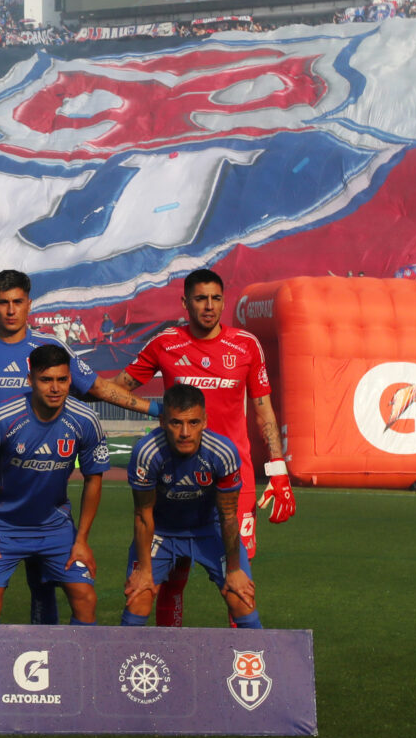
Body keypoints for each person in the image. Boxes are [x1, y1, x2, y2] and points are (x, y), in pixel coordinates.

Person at [0, 269, 153, 625]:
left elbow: (97, 387)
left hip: (44, 491)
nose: (10, 310)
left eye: (17, 302)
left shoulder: (50, 351)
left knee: (45, 587)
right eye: (3, 303)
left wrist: (152, 407)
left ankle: (53, 666)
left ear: (29, 304)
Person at [108, 268, 292, 627]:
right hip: (174, 477)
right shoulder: (166, 343)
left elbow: (263, 409)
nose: (209, 306)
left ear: (223, 301)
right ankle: (167, 659)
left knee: (238, 584)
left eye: (216, 299)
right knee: (171, 580)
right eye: (200, 298)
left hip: (233, 476)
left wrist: (278, 469)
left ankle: (241, 674)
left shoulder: (246, 345)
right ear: (185, 302)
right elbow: (118, 387)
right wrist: (155, 408)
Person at [0, 345, 108, 625]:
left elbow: (94, 479)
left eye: (62, 379)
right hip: (1, 526)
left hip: (54, 526)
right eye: (46, 380)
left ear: (70, 379)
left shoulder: (85, 420)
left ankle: (72, 667)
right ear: (30, 380)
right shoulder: (2, 418)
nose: (55, 388)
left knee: (86, 598)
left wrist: (81, 540)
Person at [120, 384, 261, 629]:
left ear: (205, 421)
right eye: (176, 423)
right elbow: (143, 515)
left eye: (193, 423)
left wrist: (235, 569)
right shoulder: (147, 452)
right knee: (138, 596)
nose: (185, 432)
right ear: (163, 421)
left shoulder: (223, 452)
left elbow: (228, 516)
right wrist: (144, 570)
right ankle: (122, 664)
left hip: (208, 528)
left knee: (241, 598)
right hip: (161, 531)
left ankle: (259, 666)